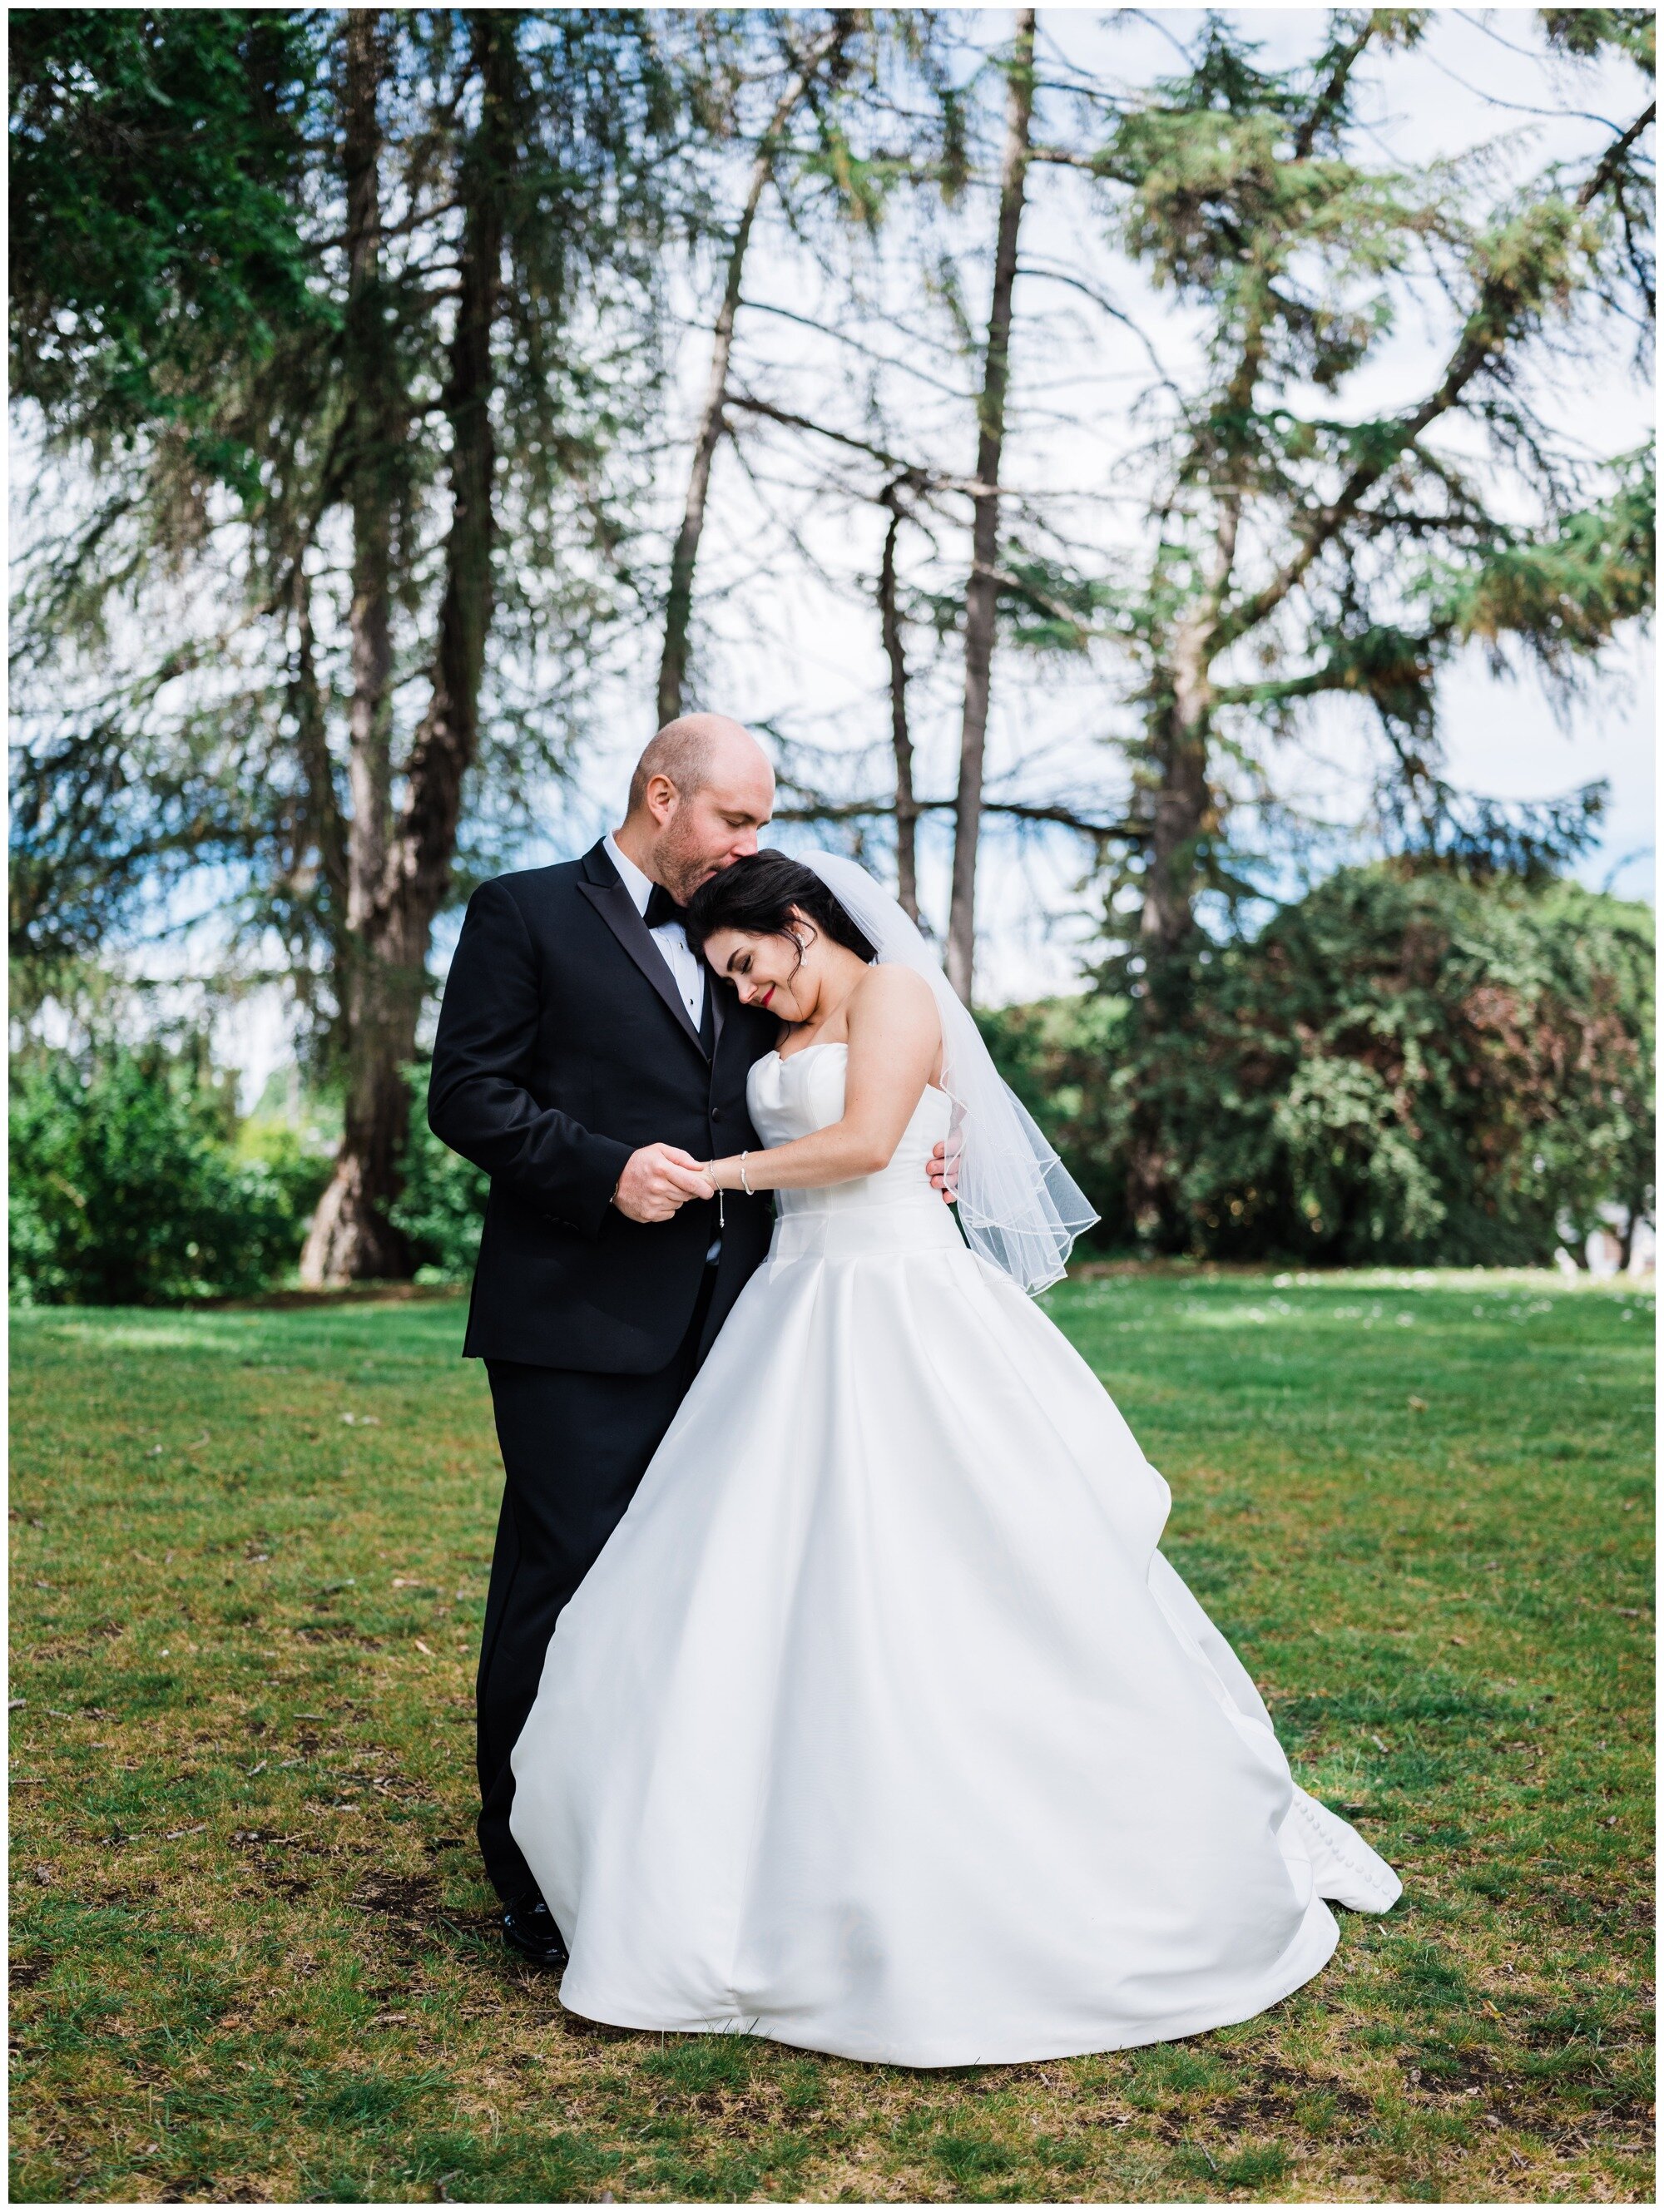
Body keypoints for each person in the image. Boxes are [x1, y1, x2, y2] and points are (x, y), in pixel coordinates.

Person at [506, 849, 1401, 2066]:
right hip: (796, 1307)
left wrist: (718, 1174)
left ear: (803, 922)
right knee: (760, 1586)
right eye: (726, 979)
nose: (747, 994)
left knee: (958, 1569)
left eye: (751, 964)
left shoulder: (895, 995)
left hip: (902, 1304)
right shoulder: (787, 1023)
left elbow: (873, 1138)